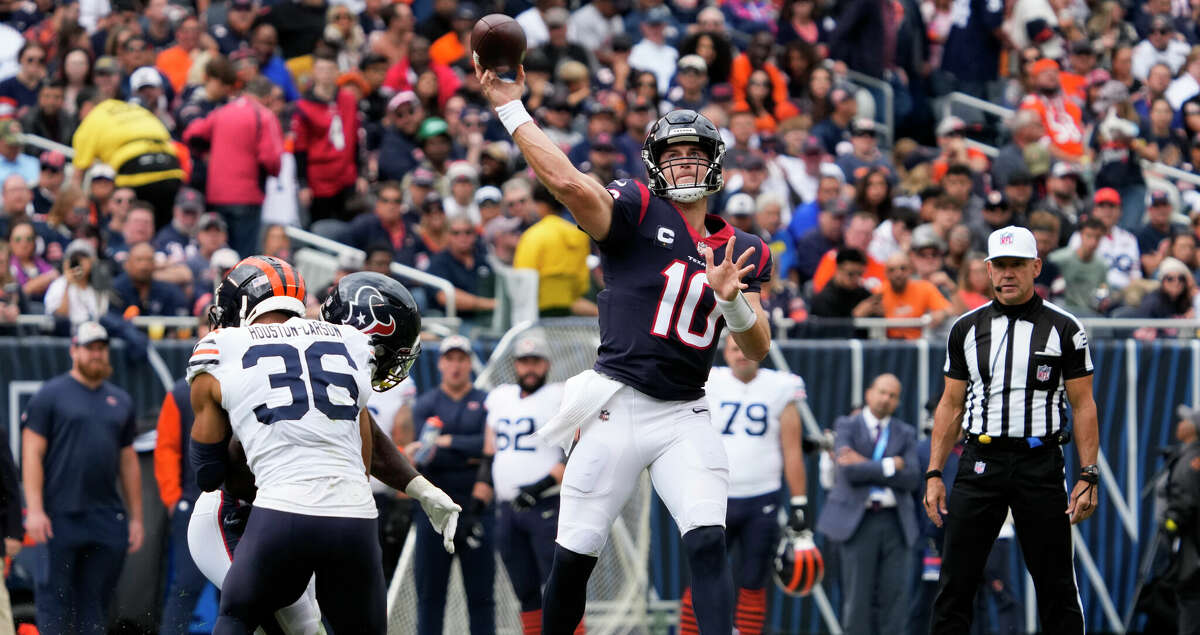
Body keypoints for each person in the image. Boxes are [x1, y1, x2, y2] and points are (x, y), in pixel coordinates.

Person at [478, 57, 773, 634]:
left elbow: (757, 347)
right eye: (672, 154)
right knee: (573, 562)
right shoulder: (637, 209)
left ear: (714, 164)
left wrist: (732, 300)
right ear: (655, 166)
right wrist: (509, 107)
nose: (684, 162)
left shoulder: (744, 246)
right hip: (615, 404)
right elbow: (566, 183)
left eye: (694, 152)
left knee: (709, 541)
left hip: (684, 412)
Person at [188, 260, 458, 634]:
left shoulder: (223, 349)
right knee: (304, 626)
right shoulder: (348, 344)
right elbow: (362, 456)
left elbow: (207, 470)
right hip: (257, 515)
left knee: (271, 622)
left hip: (277, 513)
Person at [925, 226, 1101, 634]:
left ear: (1035, 267)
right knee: (955, 583)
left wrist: (1089, 474)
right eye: (1000, 266)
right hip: (980, 461)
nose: (1008, 274)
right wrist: (935, 471)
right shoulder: (965, 328)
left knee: (1056, 583)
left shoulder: (1064, 327)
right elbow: (950, 404)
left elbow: (1084, 404)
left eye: (1017, 265)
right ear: (987, 270)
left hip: (1039, 462)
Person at [677, 335, 809, 635]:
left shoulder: (781, 386)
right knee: (700, 575)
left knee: (753, 580)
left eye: (746, 348)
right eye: (735, 349)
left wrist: (799, 502)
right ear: (724, 351)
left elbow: (792, 450)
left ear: (760, 350)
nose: (741, 355)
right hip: (714, 496)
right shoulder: (708, 380)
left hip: (760, 498)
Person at [21, 321, 144, 634]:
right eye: (90, 348)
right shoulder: (50, 396)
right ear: (73, 350)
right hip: (58, 517)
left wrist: (137, 518)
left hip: (105, 517)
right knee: (54, 607)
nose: (97, 354)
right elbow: (31, 452)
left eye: (102, 348)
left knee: (95, 610)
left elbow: (128, 461)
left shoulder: (121, 400)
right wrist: (34, 509)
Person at [815, 373, 920, 635]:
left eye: (893, 395)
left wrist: (864, 464)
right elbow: (848, 472)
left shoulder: (905, 432)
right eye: (882, 392)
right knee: (857, 600)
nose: (886, 399)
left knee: (893, 599)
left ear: (897, 401)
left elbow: (911, 478)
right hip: (858, 522)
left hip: (895, 522)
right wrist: (889, 465)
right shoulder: (847, 425)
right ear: (869, 393)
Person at [481, 333, 568, 633]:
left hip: (546, 505)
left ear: (546, 364)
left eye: (536, 361)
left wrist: (540, 486)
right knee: (525, 590)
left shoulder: (560, 395)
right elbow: (488, 455)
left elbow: (577, 452)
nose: (530, 368)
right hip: (507, 509)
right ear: (515, 365)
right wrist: (478, 503)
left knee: (560, 588)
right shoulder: (500, 398)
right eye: (524, 362)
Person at [408, 335, 494, 635]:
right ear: (441, 363)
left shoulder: (487, 402)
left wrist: (447, 442)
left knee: (481, 596)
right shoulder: (426, 403)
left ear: (469, 363)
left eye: (462, 359)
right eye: (450, 359)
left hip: (476, 507)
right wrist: (470, 451)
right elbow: (423, 455)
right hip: (435, 511)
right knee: (430, 596)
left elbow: (490, 448)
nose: (456, 366)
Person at [182, 76, 285, 260]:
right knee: (244, 260)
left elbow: (193, 134)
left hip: (216, 196)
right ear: (267, 97)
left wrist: (204, 153)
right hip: (247, 198)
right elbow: (272, 160)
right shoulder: (264, 115)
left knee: (217, 254)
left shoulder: (222, 111)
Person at [155, 314, 210, 635]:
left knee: (241, 592)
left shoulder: (241, 386)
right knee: (185, 586)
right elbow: (166, 449)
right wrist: (174, 499)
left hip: (235, 503)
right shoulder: (179, 392)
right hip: (192, 503)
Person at [70, 98, 184, 229]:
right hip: (170, 167)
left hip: (135, 169)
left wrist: (76, 206)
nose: (78, 116)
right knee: (161, 224)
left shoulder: (92, 119)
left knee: (125, 213)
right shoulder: (137, 111)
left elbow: (78, 174)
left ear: (88, 106)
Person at [513, 186, 595, 317]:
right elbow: (582, 282)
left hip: (538, 315)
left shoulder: (532, 235)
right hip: (570, 313)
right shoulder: (579, 235)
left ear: (541, 205)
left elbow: (522, 281)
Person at [1163, 404, 1200, 634]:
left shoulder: (1190, 462)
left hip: (1192, 550)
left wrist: (1170, 524)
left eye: (1184, 420)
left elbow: (1185, 504)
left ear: (1193, 429)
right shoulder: (1188, 457)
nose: (1179, 423)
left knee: (1190, 599)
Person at [876, 251, 953, 339]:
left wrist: (942, 313)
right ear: (886, 273)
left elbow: (950, 309)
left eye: (903, 268)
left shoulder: (924, 288)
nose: (898, 273)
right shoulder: (878, 292)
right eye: (892, 270)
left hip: (918, 343)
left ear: (910, 270)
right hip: (888, 344)